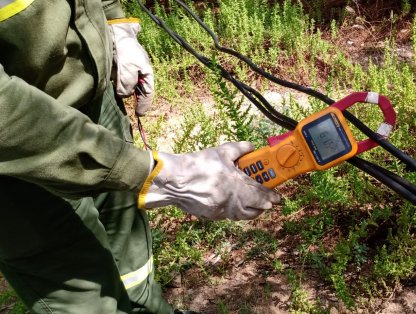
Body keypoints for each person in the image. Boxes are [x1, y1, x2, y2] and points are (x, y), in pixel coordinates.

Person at [0, 0, 280, 313]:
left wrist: (117, 27)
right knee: (85, 296)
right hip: (18, 162)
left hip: (99, 107)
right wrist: (167, 177)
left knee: (134, 267)